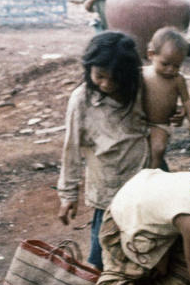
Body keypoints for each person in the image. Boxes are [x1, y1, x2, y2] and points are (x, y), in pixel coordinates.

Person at [57, 31, 149, 271]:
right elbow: (72, 148)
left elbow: (160, 117)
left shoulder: (140, 89)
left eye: (115, 79)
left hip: (143, 183)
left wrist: (176, 113)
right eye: (100, 76)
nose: (107, 84)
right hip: (107, 189)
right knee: (101, 253)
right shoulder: (81, 100)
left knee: (147, 244)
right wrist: (68, 194)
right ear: (88, 69)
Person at [142, 27, 190, 170]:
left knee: (158, 149)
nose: (170, 69)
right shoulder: (142, 74)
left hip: (160, 124)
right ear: (151, 55)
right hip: (140, 122)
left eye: (176, 66)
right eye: (165, 64)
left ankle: (152, 175)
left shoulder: (178, 80)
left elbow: (187, 101)